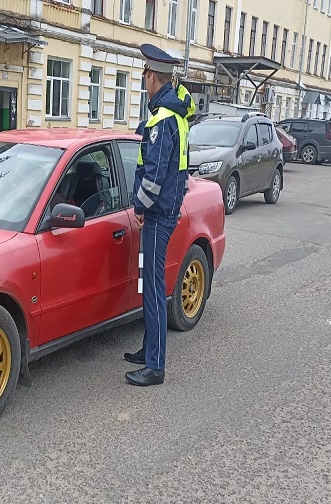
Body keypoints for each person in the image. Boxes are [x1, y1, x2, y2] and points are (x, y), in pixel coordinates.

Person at [124, 44, 195, 387]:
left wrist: (138, 207)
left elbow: (153, 174)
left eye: (144, 76)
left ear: (152, 77)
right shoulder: (176, 115)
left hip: (156, 214)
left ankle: (155, 366)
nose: (143, 82)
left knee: (152, 288)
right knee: (147, 283)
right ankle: (148, 348)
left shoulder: (162, 119)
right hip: (165, 210)